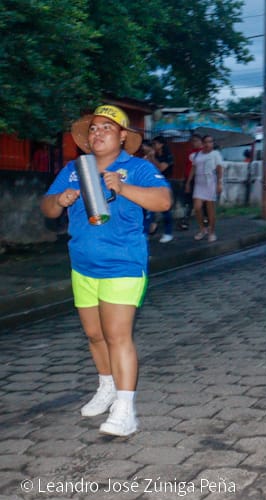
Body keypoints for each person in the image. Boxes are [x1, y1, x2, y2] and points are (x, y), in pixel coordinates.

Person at [40, 105, 172, 436]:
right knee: (94, 334)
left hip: (123, 264)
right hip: (82, 264)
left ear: (123, 136)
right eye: (94, 128)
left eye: (107, 128)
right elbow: (47, 206)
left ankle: (125, 410)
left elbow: (163, 201)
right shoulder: (74, 169)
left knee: (117, 336)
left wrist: (122, 187)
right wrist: (61, 201)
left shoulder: (137, 168)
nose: (98, 133)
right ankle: (106, 386)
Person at [185, 134, 223, 242]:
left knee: (210, 210)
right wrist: (188, 183)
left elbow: (219, 169)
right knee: (197, 207)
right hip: (199, 184)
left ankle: (211, 232)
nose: (208, 144)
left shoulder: (215, 154)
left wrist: (220, 183)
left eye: (210, 142)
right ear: (202, 143)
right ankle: (202, 229)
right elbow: (193, 168)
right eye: (206, 142)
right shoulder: (196, 155)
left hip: (210, 183)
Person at [144, 135, 175, 243]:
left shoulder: (167, 155)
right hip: (152, 184)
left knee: (165, 209)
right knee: (149, 209)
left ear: (161, 144)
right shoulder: (152, 154)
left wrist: (153, 158)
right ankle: (147, 231)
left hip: (164, 184)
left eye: (155, 144)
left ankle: (168, 233)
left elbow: (161, 168)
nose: (153, 146)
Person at [178, 133, 202, 231]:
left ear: (201, 142)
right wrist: (186, 180)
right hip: (189, 179)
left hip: (199, 180)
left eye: (196, 141)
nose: (193, 143)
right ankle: (185, 220)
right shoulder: (190, 153)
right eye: (192, 141)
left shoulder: (204, 153)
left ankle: (203, 220)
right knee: (188, 201)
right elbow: (187, 167)